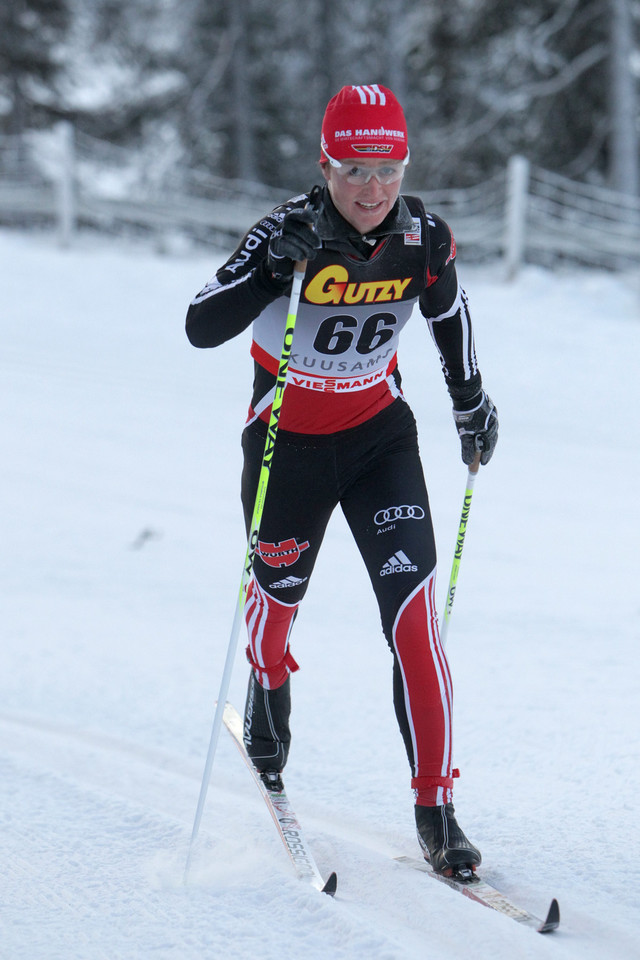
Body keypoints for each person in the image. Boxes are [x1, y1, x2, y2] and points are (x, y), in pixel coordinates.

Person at [185, 83, 498, 877]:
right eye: (354, 167)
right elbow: (200, 324)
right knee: (278, 601)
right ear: (325, 163)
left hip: (377, 442)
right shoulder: (284, 232)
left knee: (415, 622)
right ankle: (268, 681)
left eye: (387, 166)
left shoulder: (422, 237)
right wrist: (268, 273)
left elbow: (448, 316)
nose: (372, 187)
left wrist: (471, 404)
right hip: (285, 443)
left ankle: (437, 808)